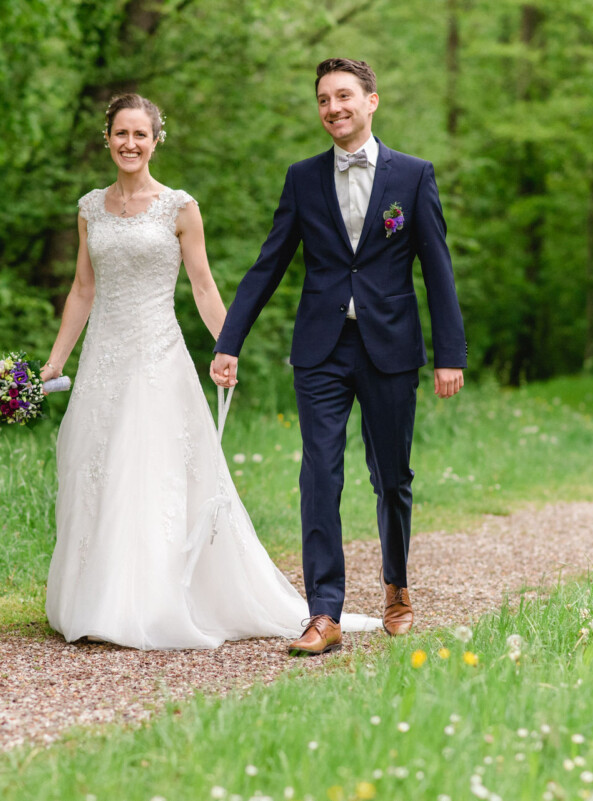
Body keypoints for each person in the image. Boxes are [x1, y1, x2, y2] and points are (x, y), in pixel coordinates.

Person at [41, 93, 379, 650]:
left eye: (140, 135)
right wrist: (56, 360)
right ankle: (94, 598)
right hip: (104, 357)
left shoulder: (178, 206)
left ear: (155, 140)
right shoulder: (89, 208)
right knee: (95, 468)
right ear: (107, 138)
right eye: (120, 134)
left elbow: (202, 285)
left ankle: (149, 603)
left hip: (156, 358)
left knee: (146, 472)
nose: (129, 144)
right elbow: (83, 289)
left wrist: (229, 345)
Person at [211, 58, 467, 657]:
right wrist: (229, 340)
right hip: (321, 349)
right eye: (324, 99)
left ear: (371, 101)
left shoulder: (412, 176)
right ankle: (323, 612)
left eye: (344, 96)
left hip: (391, 348)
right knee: (319, 475)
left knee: (392, 476)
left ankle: (397, 589)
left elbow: (437, 268)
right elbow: (268, 264)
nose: (334, 108)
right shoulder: (302, 179)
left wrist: (448, 354)